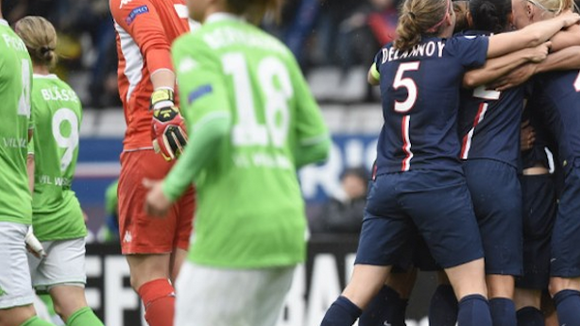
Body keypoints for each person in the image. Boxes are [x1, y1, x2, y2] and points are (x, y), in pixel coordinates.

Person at [320, 0, 579, 324]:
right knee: (492, 290)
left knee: (377, 286)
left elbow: (375, 76)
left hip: (393, 179)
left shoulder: (395, 53)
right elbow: (532, 42)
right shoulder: (460, 51)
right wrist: (543, 46)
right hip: (469, 179)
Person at [143, 0, 331, 325]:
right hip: (286, 229)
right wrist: (265, 159)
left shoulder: (194, 45)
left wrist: (171, 187)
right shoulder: (276, 50)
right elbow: (317, 144)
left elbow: (215, 122)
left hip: (234, 228)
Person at [14, 16, 105, 326]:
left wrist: (22, 220)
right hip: (65, 212)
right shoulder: (69, 94)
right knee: (74, 309)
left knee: (11, 313)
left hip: (28, 216)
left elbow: (28, 160)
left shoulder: (22, 94)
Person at [109, 1, 194, 325]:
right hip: (195, 145)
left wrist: (163, 101)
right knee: (187, 281)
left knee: (149, 277)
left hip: (153, 139)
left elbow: (154, 43)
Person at [0, 3, 57, 326]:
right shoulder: (15, 45)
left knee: (16, 316)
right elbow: (29, 141)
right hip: (13, 196)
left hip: (2, 201)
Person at [311, 167, 369, 234]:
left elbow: (352, 222)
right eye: (348, 181)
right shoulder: (336, 202)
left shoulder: (368, 204)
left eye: (356, 182)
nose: (351, 186)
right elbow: (326, 222)